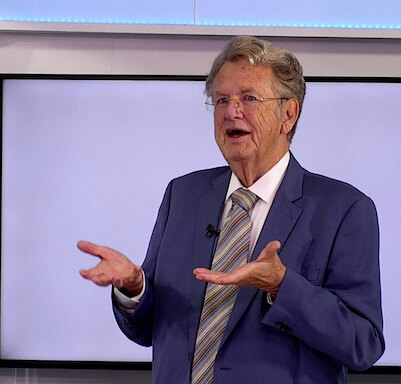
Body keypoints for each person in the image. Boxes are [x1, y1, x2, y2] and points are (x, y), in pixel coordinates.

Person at [78, 36, 384, 384]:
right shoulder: (183, 195)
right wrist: (135, 288)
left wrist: (282, 286)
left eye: (249, 98)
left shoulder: (343, 209)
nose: (231, 112)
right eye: (222, 99)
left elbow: (363, 344)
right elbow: (148, 329)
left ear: (288, 114)